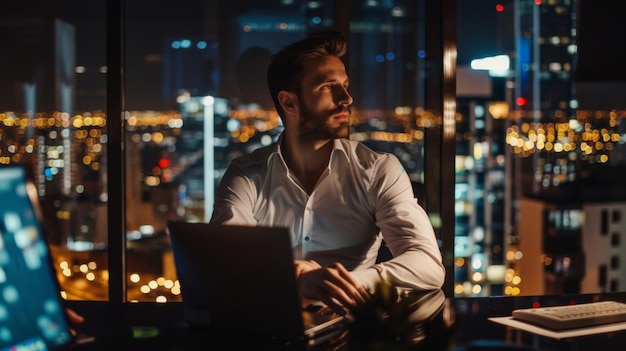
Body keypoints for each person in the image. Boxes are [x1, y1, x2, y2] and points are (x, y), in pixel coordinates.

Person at [210, 30, 444, 314]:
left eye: (345, 85)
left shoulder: (378, 169)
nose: (346, 98)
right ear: (289, 102)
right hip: (270, 327)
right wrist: (298, 282)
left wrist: (337, 284)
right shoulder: (246, 175)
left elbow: (428, 265)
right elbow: (223, 265)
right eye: (327, 87)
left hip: (352, 329)